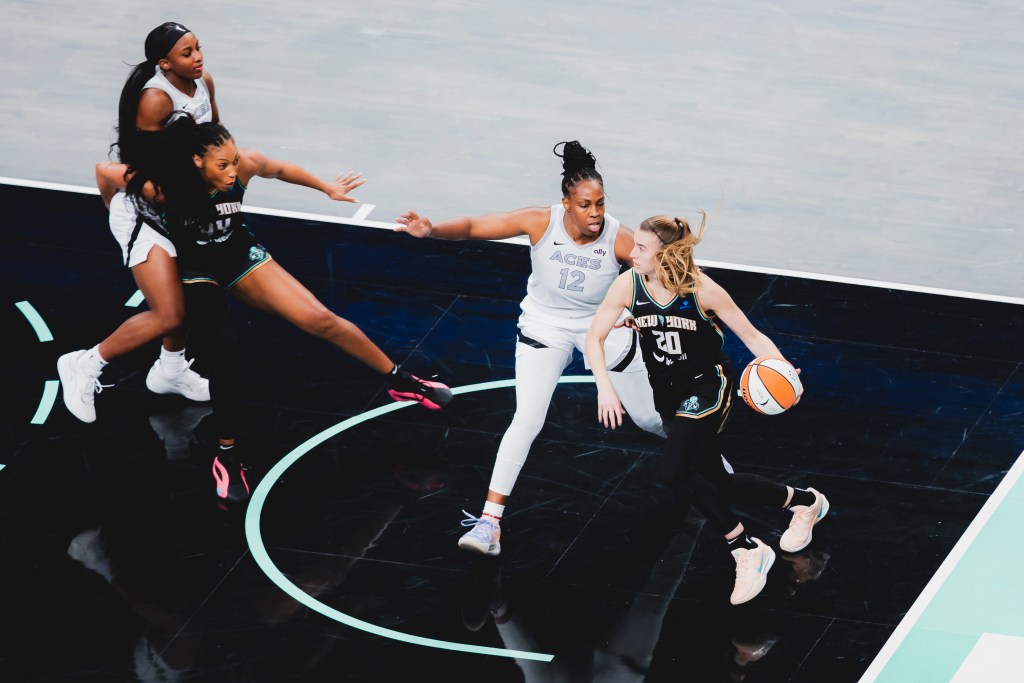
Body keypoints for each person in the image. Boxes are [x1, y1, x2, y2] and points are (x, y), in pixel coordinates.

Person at [98, 116, 452, 503]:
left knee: (320, 318)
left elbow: (280, 168)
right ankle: (228, 456)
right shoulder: (163, 185)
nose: (234, 171)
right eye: (223, 165)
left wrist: (326, 188)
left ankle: (400, 380)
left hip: (237, 253)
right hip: (194, 268)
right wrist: (116, 222)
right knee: (225, 347)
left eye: (234, 160)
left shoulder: (243, 165)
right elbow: (105, 172)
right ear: (197, 162)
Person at [395, 141, 665, 557]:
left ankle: (705, 452)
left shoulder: (620, 238)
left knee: (648, 419)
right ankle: (489, 523)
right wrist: (431, 230)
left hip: (603, 326)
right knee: (527, 419)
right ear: (566, 204)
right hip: (545, 326)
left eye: (600, 204)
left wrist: (636, 309)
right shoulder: (540, 221)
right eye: (585, 204)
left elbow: (663, 279)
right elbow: (471, 226)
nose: (595, 213)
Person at [584, 212, 829, 605]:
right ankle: (805, 502)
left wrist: (784, 369)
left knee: (673, 471)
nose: (632, 252)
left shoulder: (703, 290)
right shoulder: (628, 285)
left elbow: (751, 335)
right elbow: (593, 338)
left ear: (666, 255)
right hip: (666, 393)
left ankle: (745, 547)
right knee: (718, 482)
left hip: (708, 387)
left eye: (642, 248)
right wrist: (604, 388)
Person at [59, 22, 221, 423]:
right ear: (165, 63)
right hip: (147, 211)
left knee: (191, 297)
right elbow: (136, 169)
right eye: (187, 53)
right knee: (169, 314)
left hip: (182, 206)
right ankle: (85, 363)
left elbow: (215, 137)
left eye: (198, 48)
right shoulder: (154, 101)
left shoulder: (203, 81)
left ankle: (171, 371)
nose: (198, 57)